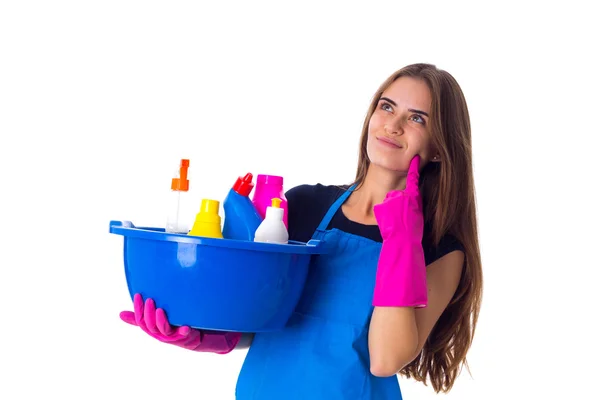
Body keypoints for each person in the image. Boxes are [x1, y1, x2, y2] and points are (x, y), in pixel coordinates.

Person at [119, 62, 483, 399]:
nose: (393, 125)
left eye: (416, 118)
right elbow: (259, 317)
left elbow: (385, 359)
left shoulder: (439, 249)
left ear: (439, 148)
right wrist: (203, 333)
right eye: (387, 107)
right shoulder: (305, 206)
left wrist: (403, 240)